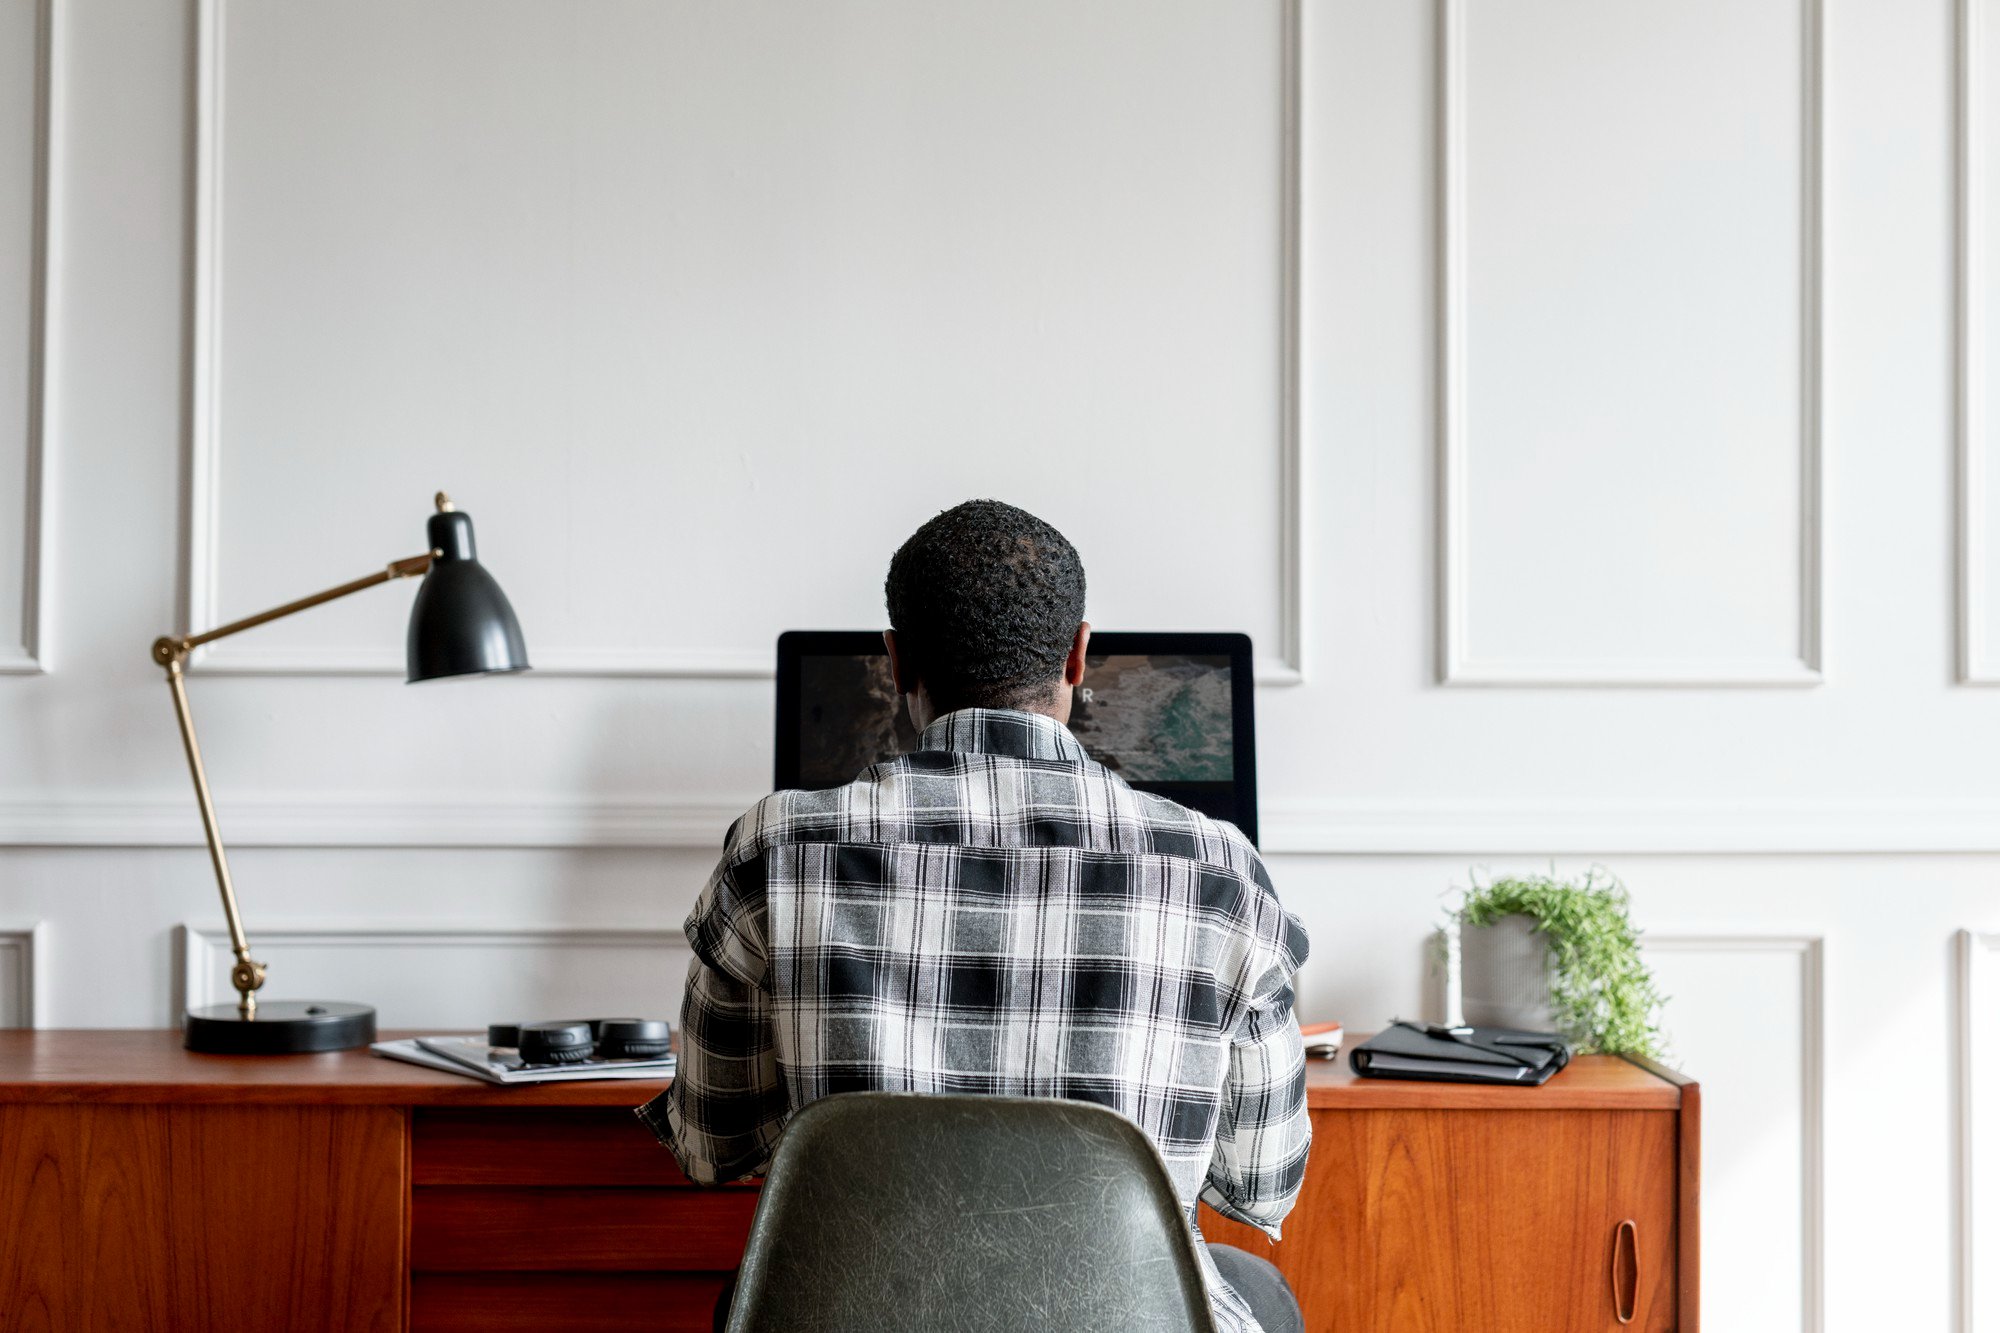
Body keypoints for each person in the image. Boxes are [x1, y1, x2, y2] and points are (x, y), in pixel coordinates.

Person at [639, 499, 1310, 1333]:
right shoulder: (1219, 871)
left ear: (895, 660)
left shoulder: (772, 851)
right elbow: (1262, 1181)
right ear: (1076, 654)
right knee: (1260, 1291)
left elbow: (709, 1145)